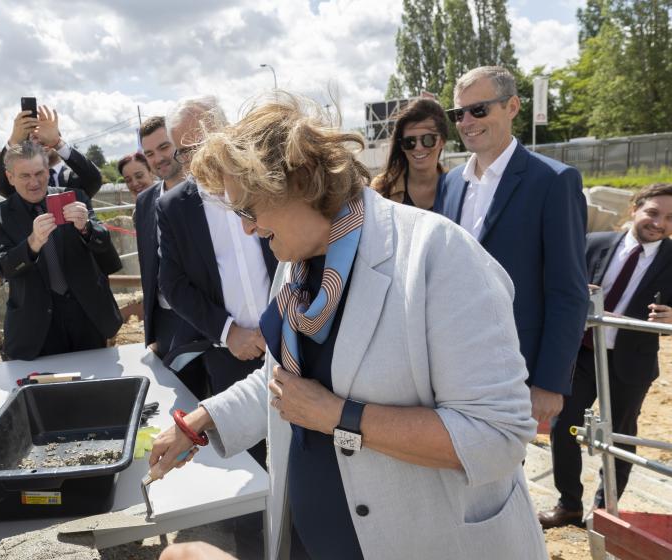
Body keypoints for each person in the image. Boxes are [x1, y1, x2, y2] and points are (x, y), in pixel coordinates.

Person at [151, 94, 545, 560]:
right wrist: (203, 420)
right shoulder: (296, 264)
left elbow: (496, 436)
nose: (248, 230)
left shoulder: (438, 256)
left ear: (299, 181)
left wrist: (342, 417)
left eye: (250, 210)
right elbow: (287, 386)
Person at [436, 66, 589, 428]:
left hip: (514, 367)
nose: (467, 121)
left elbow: (568, 291)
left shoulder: (553, 182)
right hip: (451, 363)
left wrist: (550, 382)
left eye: (479, 109)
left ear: (513, 107)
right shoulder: (451, 184)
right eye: (459, 114)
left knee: (503, 473)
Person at [539, 183, 672, 529]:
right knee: (562, 425)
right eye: (653, 212)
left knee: (619, 434)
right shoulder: (592, 244)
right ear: (634, 209)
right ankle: (568, 505)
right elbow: (556, 287)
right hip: (581, 355)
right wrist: (576, 295)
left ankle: (603, 512)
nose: (659, 223)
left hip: (631, 364)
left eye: (670, 218)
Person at [157, 96, 277, 399]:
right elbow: (173, 285)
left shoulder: (268, 181)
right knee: (244, 445)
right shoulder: (173, 208)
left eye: (204, 145)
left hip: (292, 342)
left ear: (228, 133)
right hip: (228, 355)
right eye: (185, 152)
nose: (198, 159)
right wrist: (229, 333)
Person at [0, 141, 122, 361]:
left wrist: (86, 227)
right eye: (24, 176)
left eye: (39, 173)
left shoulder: (74, 196)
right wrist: (32, 244)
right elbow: (3, 267)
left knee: (99, 385)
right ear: (10, 177)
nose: (34, 182)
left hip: (87, 316)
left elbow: (103, 243)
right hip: (36, 328)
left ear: (48, 171)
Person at [134, 117, 207, 396]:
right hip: (167, 325)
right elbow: (148, 269)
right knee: (180, 409)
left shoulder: (209, 193)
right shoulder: (144, 202)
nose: (158, 158)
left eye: (164, 147)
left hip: (211, 324)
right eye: (149, 153)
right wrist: (153, 333)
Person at [0, 105, 102, 199]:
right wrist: (13, 142)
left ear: (58, 137)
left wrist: (57, 143)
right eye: (34, 137)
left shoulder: (75, 176)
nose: (40, 140)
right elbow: (0, 186)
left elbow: (94, 179)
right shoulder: (22, 181)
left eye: (45, 135)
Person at [371, 97, 448, 210]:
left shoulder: (458, 186)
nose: (418, 148)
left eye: (428, 139)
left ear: (442, 141)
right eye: (409, 142)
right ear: (401, 146)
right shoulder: (381, 188)